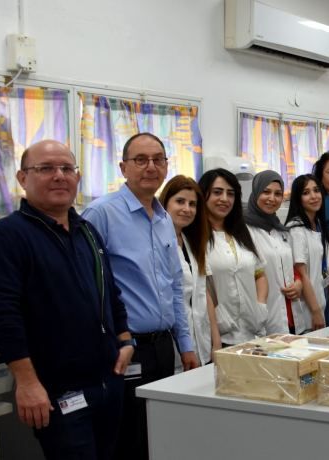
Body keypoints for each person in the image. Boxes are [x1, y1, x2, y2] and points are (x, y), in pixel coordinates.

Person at [0, 140, 132, 459]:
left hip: (108, 382)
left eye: (67, 168)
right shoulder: (8, 236)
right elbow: (3, 314)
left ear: (77, 177)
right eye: (45, 168)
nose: (59, 175)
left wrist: (126, 340)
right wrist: (27, 382)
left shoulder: (87, 231)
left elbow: (110, 292)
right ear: (22, 178)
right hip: (58, 392)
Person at [82, 132, 198, 460]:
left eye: (158, 159)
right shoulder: (101, 213)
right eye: (141, 160)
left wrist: (185, 344)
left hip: (163, 346)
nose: (151, 167)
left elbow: (174, 287)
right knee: (126, 440)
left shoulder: (163, 218)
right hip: (125, 348)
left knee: (158, 435)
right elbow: (88, 286)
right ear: (123, 167)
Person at [199, 168, 269, 346]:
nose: (224, 199)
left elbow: (260, 274)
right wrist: (217, 318)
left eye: (230, 194)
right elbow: (202, 287)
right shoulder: (197, 238)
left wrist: (260, 306)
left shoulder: (244, 233)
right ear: (203, 195)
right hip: (220, 335)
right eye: (217, 192)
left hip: (253, 331)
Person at [159, 175, 221, 366]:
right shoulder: (157, 243)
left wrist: (216, 341)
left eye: (192, 204)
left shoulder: (193, 243)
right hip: (173, 346)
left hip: (203, 342)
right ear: (165, 203)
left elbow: (204, 293)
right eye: (180, 201)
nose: (187, 209)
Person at [245, 170, 301, 335]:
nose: (272, 198)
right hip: (263, 317)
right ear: (256, 192)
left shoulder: (281, 230)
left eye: (278, 194)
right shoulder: (244, 230)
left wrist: (298, 283)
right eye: (266, 192)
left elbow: (290, 266)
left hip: (290, 316)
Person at [285, 174, 329, 332]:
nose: (313, 196)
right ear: (298, 199)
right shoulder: (297, 229)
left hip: (319, 302)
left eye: (316, 190)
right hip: (306, 310)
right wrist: (315, 311)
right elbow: (302, 274)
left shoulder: (317, 224)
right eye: (306, 193)